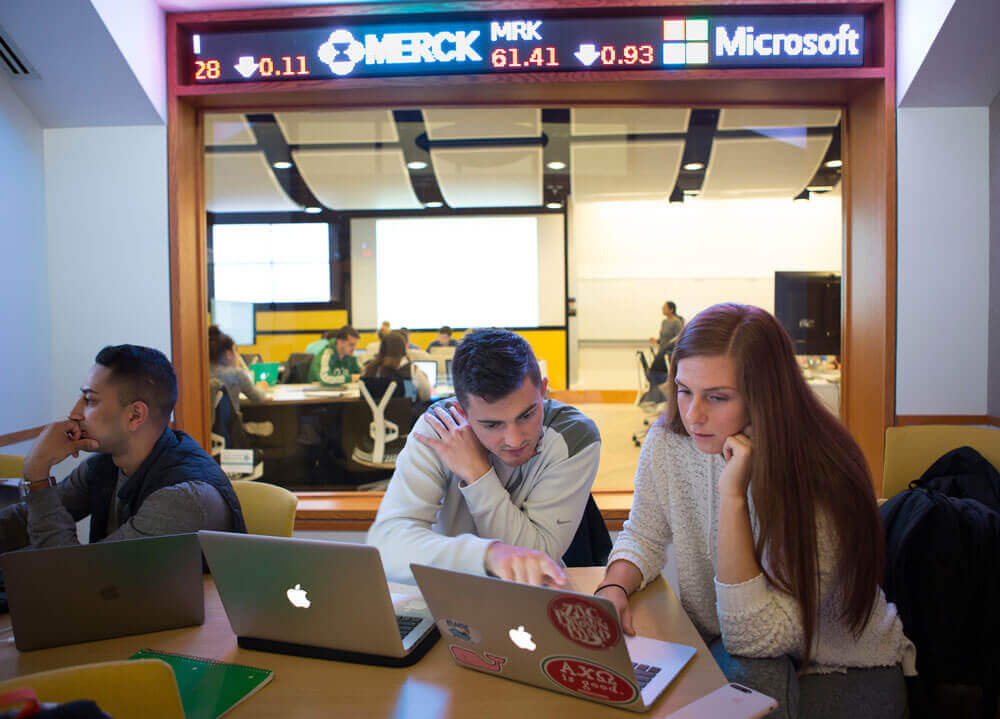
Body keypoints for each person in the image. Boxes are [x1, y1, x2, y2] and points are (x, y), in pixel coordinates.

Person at [597, 304, 913, 719]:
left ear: (765, 394)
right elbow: (643, 534)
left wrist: (732, 496)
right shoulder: (669, 442)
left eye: (718, 397)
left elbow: (755, 634)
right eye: (683, 389)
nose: (693, 415)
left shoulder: (820, 473)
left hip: (840, 665)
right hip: (737, 646)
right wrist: (613, 589)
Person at [368, 329, 601, 586]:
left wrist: (478, 474)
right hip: (448, 595)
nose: (514, 440)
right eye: (492, 425)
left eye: (527, 415)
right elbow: (387, 546)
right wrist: (487, 555)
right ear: (462, 411)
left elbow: (536, 560)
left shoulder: (573, 436)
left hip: (530, 600)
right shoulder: (437, 428)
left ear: (543, 390)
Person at [0, 345, 246, 553]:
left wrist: (37, 474)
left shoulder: (183, 499)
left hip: (193, 611)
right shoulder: (105, 465)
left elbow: (75, 578)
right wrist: (38, 490)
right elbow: (29, 519)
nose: (74, 413)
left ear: (135, 415)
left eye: (89, 400)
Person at [209, 325, 266, 413]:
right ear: (228, 354)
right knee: (267, 425)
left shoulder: (202, 374)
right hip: (231, 425)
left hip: (206, 426)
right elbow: (258, 398)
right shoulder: (236, 374)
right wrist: (262, 387)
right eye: (235, 351)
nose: (237, 355)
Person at [361, 331, 432, 404]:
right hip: (405, 414)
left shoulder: (368, 370)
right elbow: (426, 395)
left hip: (371, 414)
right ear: (403, 348)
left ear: (382, 348)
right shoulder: (412, 371)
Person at [649, 301, 683, 378]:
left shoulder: (677, 322)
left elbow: (679, 337)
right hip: (662, 351)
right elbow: (663, 338)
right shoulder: (664, 322)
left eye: (664, 308)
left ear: (671, 310)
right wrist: (657, 340)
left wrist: (668, 346)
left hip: (671, 352)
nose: (662, 309)